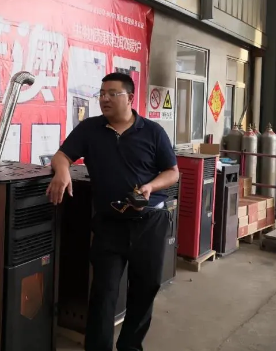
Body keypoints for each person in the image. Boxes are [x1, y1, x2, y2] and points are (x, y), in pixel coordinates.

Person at [47, 72, 179, 351]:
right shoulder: (90, 129)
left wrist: (150, 186)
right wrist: (62, 171)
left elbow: (172, 172)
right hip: (110, 224)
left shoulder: (153, 131)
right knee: (103, 294)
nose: (104, 99)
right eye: (102, 93)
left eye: (112, 93)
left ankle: (130, 346)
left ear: (130, 98)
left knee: (145, 290)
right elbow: (62, 155)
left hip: (149, 223)